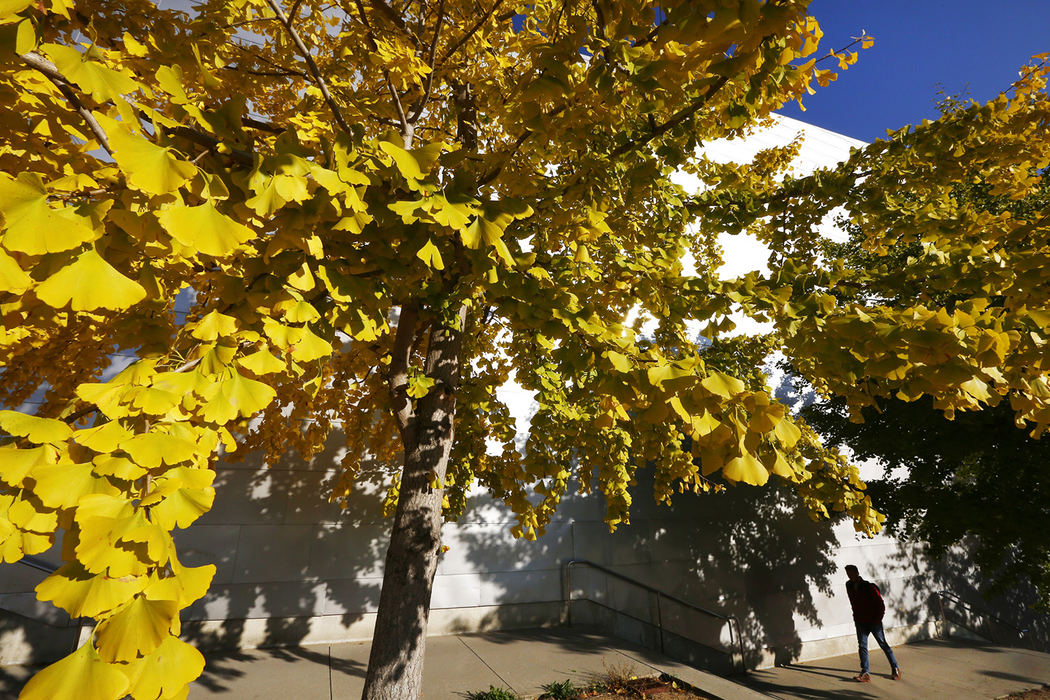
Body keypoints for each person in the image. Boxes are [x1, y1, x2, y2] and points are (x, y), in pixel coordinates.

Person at [844, 564, 901, 682]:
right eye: (847, 574)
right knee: (862, 646)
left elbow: (880, 605)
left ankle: (895, 668)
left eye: (851, 573)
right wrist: (856, 617)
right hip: (860, 622)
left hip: (873, 622)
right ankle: (865, 673)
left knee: (883, 644)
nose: (849, 576)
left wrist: (877, 619)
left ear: (857, 573)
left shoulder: (869, 587)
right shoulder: (848, 585)